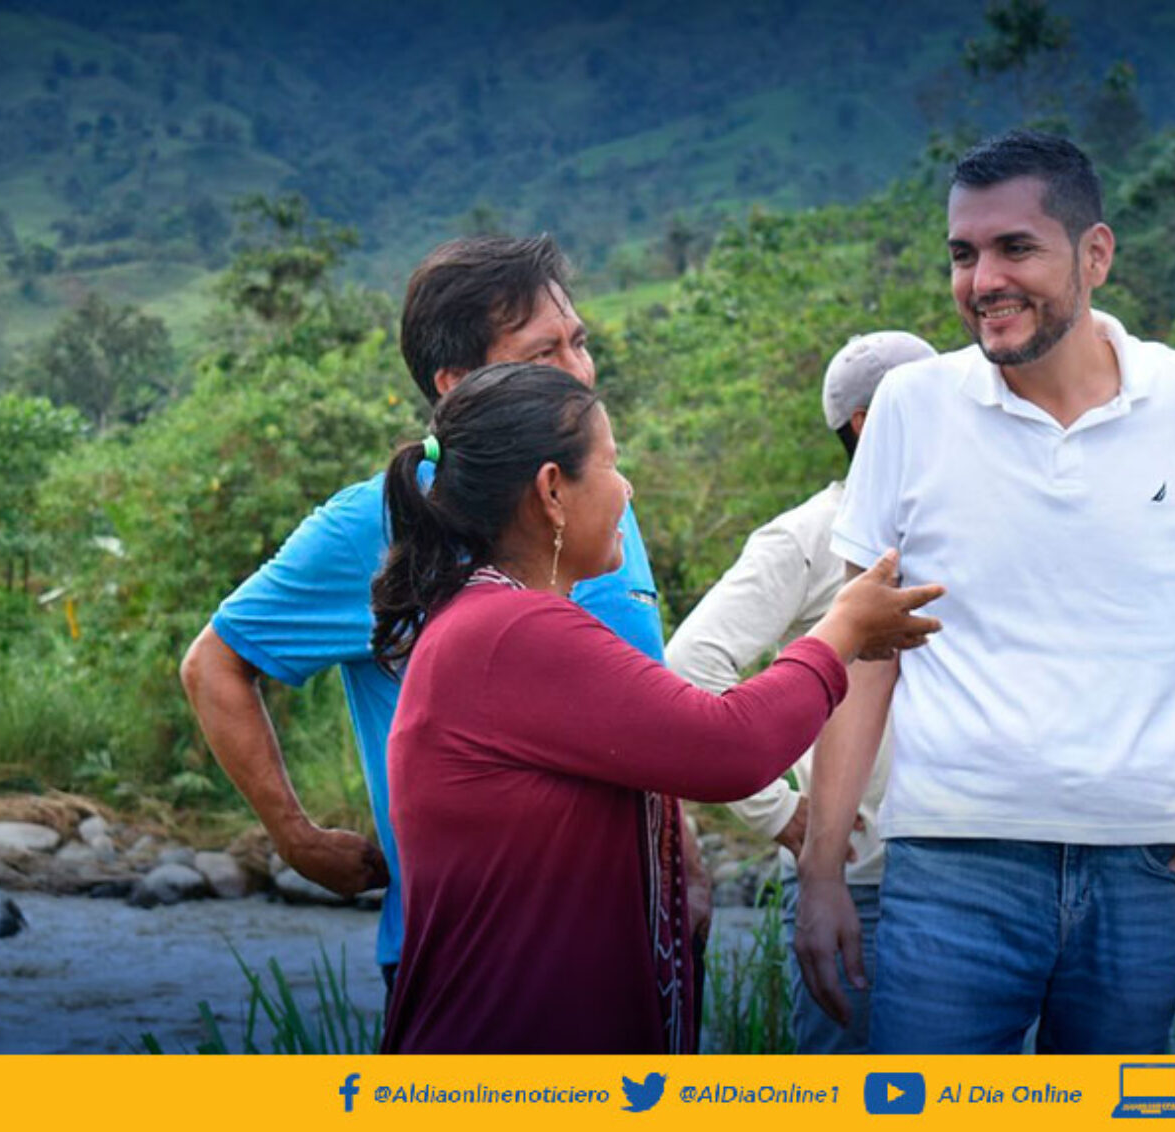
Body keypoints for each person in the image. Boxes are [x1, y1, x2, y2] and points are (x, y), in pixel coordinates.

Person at [795, 130, 1175, 1054]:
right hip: (952, 865)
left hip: (1148, 867)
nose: (984, 279)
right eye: (964, 254)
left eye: (1016, 248)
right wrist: (823, 868)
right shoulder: (911, 407)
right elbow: (861, 658)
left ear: (1095, 254)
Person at [373, 363, 943, 1054]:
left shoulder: (493, 620)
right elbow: (729, 747)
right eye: (612, 465)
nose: (627, 488)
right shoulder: (511, 633)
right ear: (552, 491)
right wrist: (842, 632)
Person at [180, 236, 669, 992]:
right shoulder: (376, 525)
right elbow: (214, 663)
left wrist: (682, 865)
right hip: (474, 962)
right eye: (544, 354)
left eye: (579, 342)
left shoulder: (601, 500)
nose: (578, 372)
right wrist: (297, 838)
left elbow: (647, 720)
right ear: (458, 383)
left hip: (630, 944)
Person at [666, 329, 936, 1054]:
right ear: (869, 424)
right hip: (858, 882)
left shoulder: (960, 530)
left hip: (973, 874)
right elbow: (690, 667)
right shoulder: (809, 535)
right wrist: (777, 810)